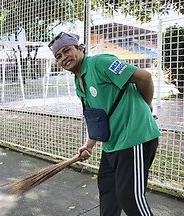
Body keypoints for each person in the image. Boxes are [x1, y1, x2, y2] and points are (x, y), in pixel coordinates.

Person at [49, 32, 161, 216]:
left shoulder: (100, 63)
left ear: (80, 48)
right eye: (58, 56)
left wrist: (146, 107)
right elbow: (98, 118)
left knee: (129, 197)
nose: (63, 58)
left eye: (67, 50)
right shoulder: (79, 81)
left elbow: (144, 77)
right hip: (112, 144)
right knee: (108, 190)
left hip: (134, 138)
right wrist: (89, 145)